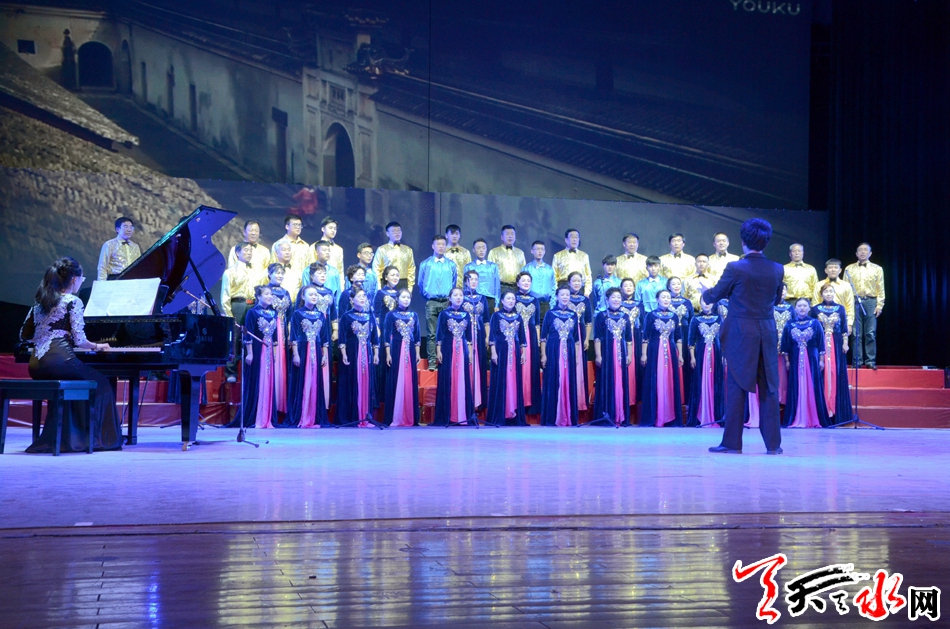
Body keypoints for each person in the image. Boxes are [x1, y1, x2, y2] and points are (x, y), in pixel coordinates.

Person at [20, 257, 122, 453]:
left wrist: (47, 334)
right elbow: (80, 340)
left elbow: (24, 335)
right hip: (61, 362)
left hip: (36, 365)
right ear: (74, 279)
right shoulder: (73, 301)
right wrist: (98, 346)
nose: (81, 283)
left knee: (78, 383)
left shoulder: (39, 303)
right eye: (81, 279)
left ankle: (71, 438)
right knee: (102, 385)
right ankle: (97, 440)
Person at [701, 218, 785, 454]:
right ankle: (773, 445)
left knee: (737, 387)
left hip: (741, 333)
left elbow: (716, 294)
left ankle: (732, 443)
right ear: (766, 241)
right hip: (766, 331)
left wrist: (705, 293)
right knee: (769, 387)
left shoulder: (735, 267)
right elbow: (777, 299)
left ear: (743, 241)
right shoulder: (777, 268)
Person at [781, 298, 828, 428]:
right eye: (799, 306)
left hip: (812, 360)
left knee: (813, 385)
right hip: (795, 359)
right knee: (795, 384)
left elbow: (821, 344)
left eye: (804, 306)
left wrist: (821, 361)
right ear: (795, 308)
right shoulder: (789, 324)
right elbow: (785, 344)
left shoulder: (815, 323)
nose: (802, 308)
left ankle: (813, 417)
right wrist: (787, 361)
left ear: (809, 308)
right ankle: (796, 416)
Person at [288, 285, 330, 428]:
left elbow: (324, 337)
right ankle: (301, 415)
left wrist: (324, 355)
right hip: (302, 350)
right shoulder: (297, 314)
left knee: (315, 382)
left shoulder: (320, 315)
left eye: (315, 295)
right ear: (303, 297)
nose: (314, 297)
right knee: (302, 381)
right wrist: (295, 354)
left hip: (316, 351)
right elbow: (293, 336)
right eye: (310, 294)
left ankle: (314, 416)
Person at [640, 289, 684, 427]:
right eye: (663, 297)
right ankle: (656, 415)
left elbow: (678, 337)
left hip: (671, 352)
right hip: (654, 351)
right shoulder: (650, 315)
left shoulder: (674, 316)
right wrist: (644, 354)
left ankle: (670, 416)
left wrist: (680, 355)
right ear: (657, 299)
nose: (666, 299)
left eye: (668, 297)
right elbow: (645, 336)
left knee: (670, 380)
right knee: (656, 380)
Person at [811, 283, 853, 424]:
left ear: (834, 293)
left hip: (836, 343)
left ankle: (836, 413)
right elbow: (813, 329)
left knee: (836, 372)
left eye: (831, 291)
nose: (828, 294)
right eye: (826, 292)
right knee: (821, 373)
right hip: (820, 344)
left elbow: (844, 328)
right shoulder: (815, 309)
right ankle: (822, 411)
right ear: (821, 294)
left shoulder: (840, 308)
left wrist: (845, 343)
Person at [238, 285, 279, 429]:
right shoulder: (252, 312)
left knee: (268, 380)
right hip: (256, 348)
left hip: (269, 349)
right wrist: (249, 353)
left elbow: (275, 336)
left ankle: (267, 417)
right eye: (266, 294)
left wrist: (274, 353)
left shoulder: (273, 313)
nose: (269, 296)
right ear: (258, 297)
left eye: (271, 294)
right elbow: (248, 334)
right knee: (257, 379)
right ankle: (256, 415)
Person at [337, 289, 379, 427]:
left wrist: (376, 354)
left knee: (366, 382)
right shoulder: (346, 316)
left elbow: (374, 338)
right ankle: (353, 415)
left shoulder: (370, 316)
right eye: (359, 296)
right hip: (352, 352)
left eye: (364, 296)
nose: (362, 298)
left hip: (367, 352)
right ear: (351, 300)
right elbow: (342, 337)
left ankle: (366, 415)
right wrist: (344, 354)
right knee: (353, 382)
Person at [433, 288, 475, 426]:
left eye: (461, 295)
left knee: (462, 378)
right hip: (447, 348)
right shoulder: (444, 314)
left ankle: (462, 415)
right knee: (448, 378)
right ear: (449, 298)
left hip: (462, 349)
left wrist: (470, 352)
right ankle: (448, 415)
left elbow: (469, 337)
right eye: (455, 295)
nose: (458, 297)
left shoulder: (466, 315)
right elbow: (439, 333)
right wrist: (438, 350)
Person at [540, 285, 581, 427]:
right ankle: (553, 417)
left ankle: (568, 416)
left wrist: (576, 357)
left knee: (568, 381)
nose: (565, 297)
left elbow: (576, 339)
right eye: (562, 295)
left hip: (569, 351)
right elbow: (543, 337)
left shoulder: (573, 314)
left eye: (567, 295)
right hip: (553, 351)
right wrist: (543, 355)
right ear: (557, 297)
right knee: (554, 380)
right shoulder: (550, 314)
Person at [592, 288, 633, 426]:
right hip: (607, 353)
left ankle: (620, 415)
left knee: (620, 382)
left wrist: (629, 354)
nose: (616, 300)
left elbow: (629, 338)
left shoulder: (625, 316)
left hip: (621, 353)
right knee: (606, 381)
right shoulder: (601, 316)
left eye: (618, 297)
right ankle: (606, 414)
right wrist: (598, 355)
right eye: (613, 297)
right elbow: (597, 337)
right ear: (607, 299)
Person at [487, 289, 527, 427]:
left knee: (514, 380)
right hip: (501, 351)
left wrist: (523, 352)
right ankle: (501, 413)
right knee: (501, 380)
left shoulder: (518, 317)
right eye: (508, 298)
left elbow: (522, 337)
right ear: (502, 301)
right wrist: (493, 352)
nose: (511, 301)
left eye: (513, 299)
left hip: (515, 352)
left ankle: (514, 414)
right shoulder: (496, 316)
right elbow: (492, 335)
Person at [221, 242, 261, 381]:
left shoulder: (255, 271)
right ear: (237, 253)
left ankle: (249, 370)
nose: (249, 253)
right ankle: (231, 372)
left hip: (252, 305)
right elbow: (225, 296)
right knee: (235, 338)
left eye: (250, 250)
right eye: (246, 250)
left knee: (250, 337)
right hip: (238, 305)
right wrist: (229, 315)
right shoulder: (230, 272)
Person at [382, 289, 422, 427]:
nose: (406, 300)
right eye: (403, 297)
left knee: (409, 379)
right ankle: (395, 416)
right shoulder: (391, 315)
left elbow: (417, 336)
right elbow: (386, 336)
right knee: (396, 379)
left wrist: (417, 353)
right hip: (396, 349)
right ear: (397, 298)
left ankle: (409, 416)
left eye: (408, 297)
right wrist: (388, 354)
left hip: (410, 350)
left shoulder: (414, 315)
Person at [418, 235, 458, 370]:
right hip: (431, 302)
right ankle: (432, 362)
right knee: (431, 333)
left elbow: (454, 282)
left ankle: (446, 360)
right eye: (438, 244)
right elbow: (420, 284)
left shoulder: (451, 264)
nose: (441, 246)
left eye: (443, 244)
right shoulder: (425, 264)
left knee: (447, 333)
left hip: (447, 302)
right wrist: (428, 296)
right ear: (433, 246)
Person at [844, 243, 885, 369]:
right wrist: (846, 306)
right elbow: (845, 288)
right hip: (854, 301)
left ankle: (870, 361)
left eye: (865, 250)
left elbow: (880, 288)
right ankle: (857, 361)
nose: (862, 252)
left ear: (870, 253)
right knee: (856, 334)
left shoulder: (877, 269)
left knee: (870, 333)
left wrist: (880, 304)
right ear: (856, 253)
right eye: (860, 250)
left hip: (870, 301)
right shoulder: (849, 268)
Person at [687, 300, 724, 428]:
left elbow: (723, 338)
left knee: (716, 382)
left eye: (709, 301)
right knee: (700, 381)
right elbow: (691, 340)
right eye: (704, 301)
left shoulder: (719, 318)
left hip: (717, 354)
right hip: (700, 354)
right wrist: (692, 357)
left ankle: (716, 415)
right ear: (700, 303)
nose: (707, 304)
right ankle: (700, 415)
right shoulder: (695, 320)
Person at [559, 271, 592, 412]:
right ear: (569, 282)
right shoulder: (564, 297)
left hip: (580, 334)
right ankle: (564, 399)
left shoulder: (585, 300)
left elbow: (588, 321)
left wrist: (586, 339)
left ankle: (578, 400)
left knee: (579, 365)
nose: (577, 283)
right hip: (565, 333)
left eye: (579, 281)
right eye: (574, 281)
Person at [264, 262, 293, 407]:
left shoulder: (286, 292)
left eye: (282, 273)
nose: (280, 276)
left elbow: (290, 314)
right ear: (269, 274)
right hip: (269, 329)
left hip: (283, 330)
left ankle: (282, 400)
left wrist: (289, 334)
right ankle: (270, 400)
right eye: (277, 273)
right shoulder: (265, 290)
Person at [514, 272, 542, 415]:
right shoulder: (512, 298)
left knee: (530, 367)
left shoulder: (535, 300)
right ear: (517, 283)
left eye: (528, 281)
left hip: (531, 336)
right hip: (516, 334)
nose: (526, 283)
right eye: (523, 280)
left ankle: (530, 402)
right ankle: (516, 400)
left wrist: (537, 341)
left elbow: (537, 323)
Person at [462, 270, 489, 411]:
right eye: (470, 279)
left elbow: (486, 320)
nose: (473, 281)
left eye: (476, 279)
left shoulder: (482, 298)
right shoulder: (460, 296)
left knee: (479, 363)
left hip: (479, 333)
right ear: (465, 281)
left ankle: (478, 401)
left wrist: (487, 337)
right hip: (465, 334)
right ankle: (466, 399)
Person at [619, 278, 643, 406]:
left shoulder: (639, 304)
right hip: (621, 337)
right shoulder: (617, 303)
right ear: (621, 288)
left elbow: (643, 321)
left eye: (630, 285)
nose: (628, 287)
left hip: (636, 337)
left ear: (634, 289)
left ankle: (634, 396)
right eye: (625, 285)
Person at [372, 221, 416, 291]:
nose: (397, 233)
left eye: (398, 231)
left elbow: (411, 269)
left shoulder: (408, 250)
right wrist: (379, 287)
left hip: (403, 283)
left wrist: (410, 288)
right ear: (387, 233)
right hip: (387, 283)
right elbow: (376, 269)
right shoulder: (381, 249)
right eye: (394, 231)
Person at [813, 259, 855, 328]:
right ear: (826, 270)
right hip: (822, 322)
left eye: (836, 267)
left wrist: (849, 324)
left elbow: (850, 306)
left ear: (840, 270)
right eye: (830, 267)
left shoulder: (846, 286)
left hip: (841, 320)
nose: (833, 270)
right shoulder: (819, 285)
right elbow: (815, 304)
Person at [97, 216, 141, 280]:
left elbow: (139, 266)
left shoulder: (135, 246)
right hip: (115, 280)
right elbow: (102, 267)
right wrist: (102, 284)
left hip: (132, 280)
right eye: (125, 227)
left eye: (131, 227)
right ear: (117, 229)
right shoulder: (109, 244)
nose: (129, 230)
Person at [552, 228, 593, 296]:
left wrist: (587, 292)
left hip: (580, 288)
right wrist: (556, 292)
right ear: (566, 240)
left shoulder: (584, 256)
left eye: (576, 237)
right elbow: (554, 276)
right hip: (563, 288)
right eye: (572, 237)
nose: (574, 239)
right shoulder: (557, 256)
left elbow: (588, 275)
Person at [463, 239, 500, 312]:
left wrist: (497, 304)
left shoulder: (493, 266)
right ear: (473, 250)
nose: (481, 250)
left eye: (483, 248)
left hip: (490, 298)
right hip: (473, 298)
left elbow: (497, 286)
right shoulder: (469, 266)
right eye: (478, 248)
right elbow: (465, 285)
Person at [522, 240, 555, 322]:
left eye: (542, 249)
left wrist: (552, 305)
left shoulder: (549, 269)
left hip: (546, 304)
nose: (540, 251)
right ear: (532, 251)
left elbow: (553, 287)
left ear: (544, 251)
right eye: (537, 249)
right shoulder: (527, 268)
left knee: (545, 326)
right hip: (531, 303)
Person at [773, 284, 793, 405]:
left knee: (786, 371)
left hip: (787, 344)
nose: (782, 292)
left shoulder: (790, 308)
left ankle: (785, 399)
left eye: (784, 290)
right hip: (772, 343)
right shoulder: (769, 306)